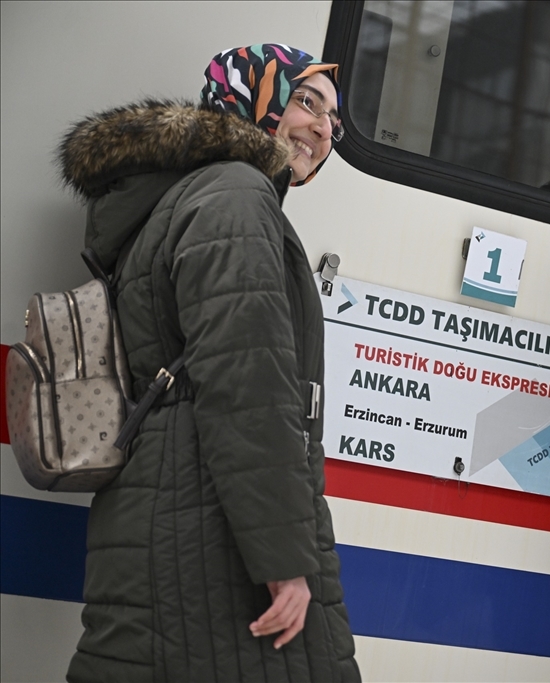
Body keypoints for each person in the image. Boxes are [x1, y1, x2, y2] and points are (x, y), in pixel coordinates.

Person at [60, 44, 359, 681]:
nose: (323, 127)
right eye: (305, 100)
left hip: (175, 512)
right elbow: (246, 384)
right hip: (210, 539)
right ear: (253, 98)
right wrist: (284, 557)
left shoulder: (193, 196)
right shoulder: (236, 195)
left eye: (334, 117)